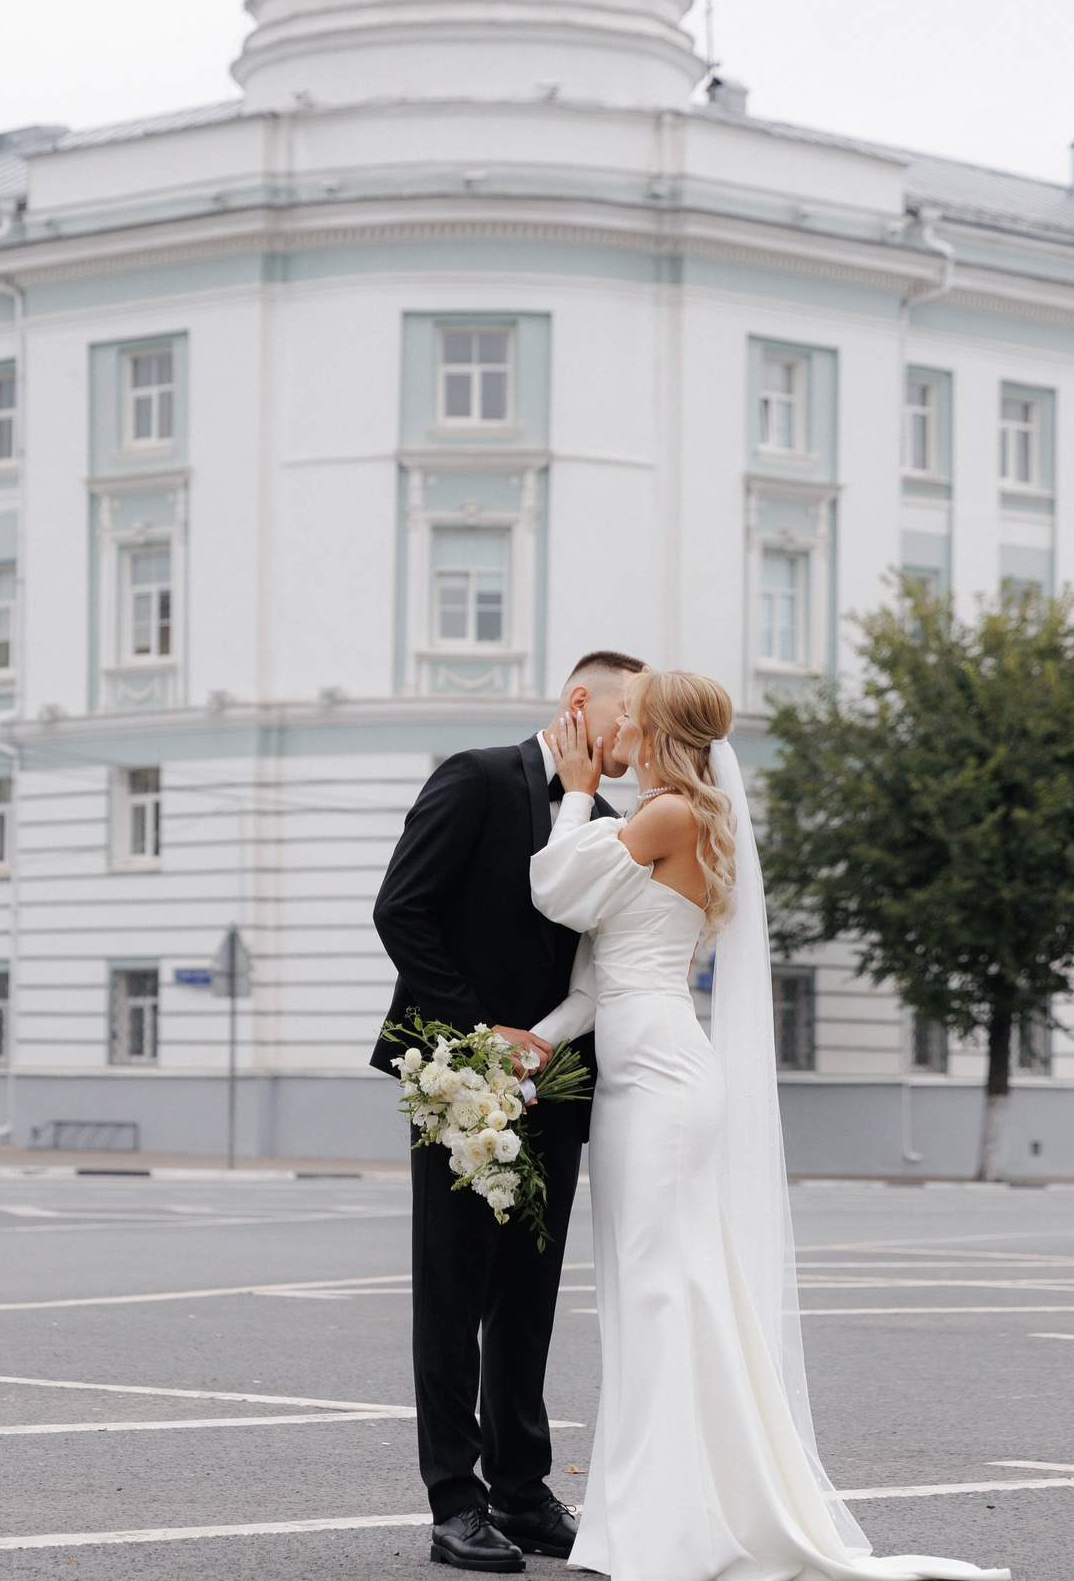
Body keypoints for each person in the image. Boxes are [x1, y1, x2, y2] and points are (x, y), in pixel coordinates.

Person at [525, 669, 1006, 1581]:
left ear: (660, 730)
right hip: (645, 1072)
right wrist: (540, 1042)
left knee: (662, 1291)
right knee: (650, 1289)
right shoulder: (671, 816)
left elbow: (557, 889)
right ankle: (646, 1511)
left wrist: (579, 789)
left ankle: (672, 1523)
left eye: (630, 714)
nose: (615, 721)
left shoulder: (666, 814)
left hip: (660, 1081)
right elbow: (599, 979)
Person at [371, 650, 644, 1573]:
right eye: (628, 716)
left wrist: (550, 1049)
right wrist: (478, 1030)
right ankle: (456, 1501)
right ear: (581, 703)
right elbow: (402, 912)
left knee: (527, 1299)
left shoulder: (604, 823)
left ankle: (523, 1491)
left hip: (557, 1086)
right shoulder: (477, 777)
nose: (635, 739)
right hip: (455, 1076)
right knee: (452, 1295)